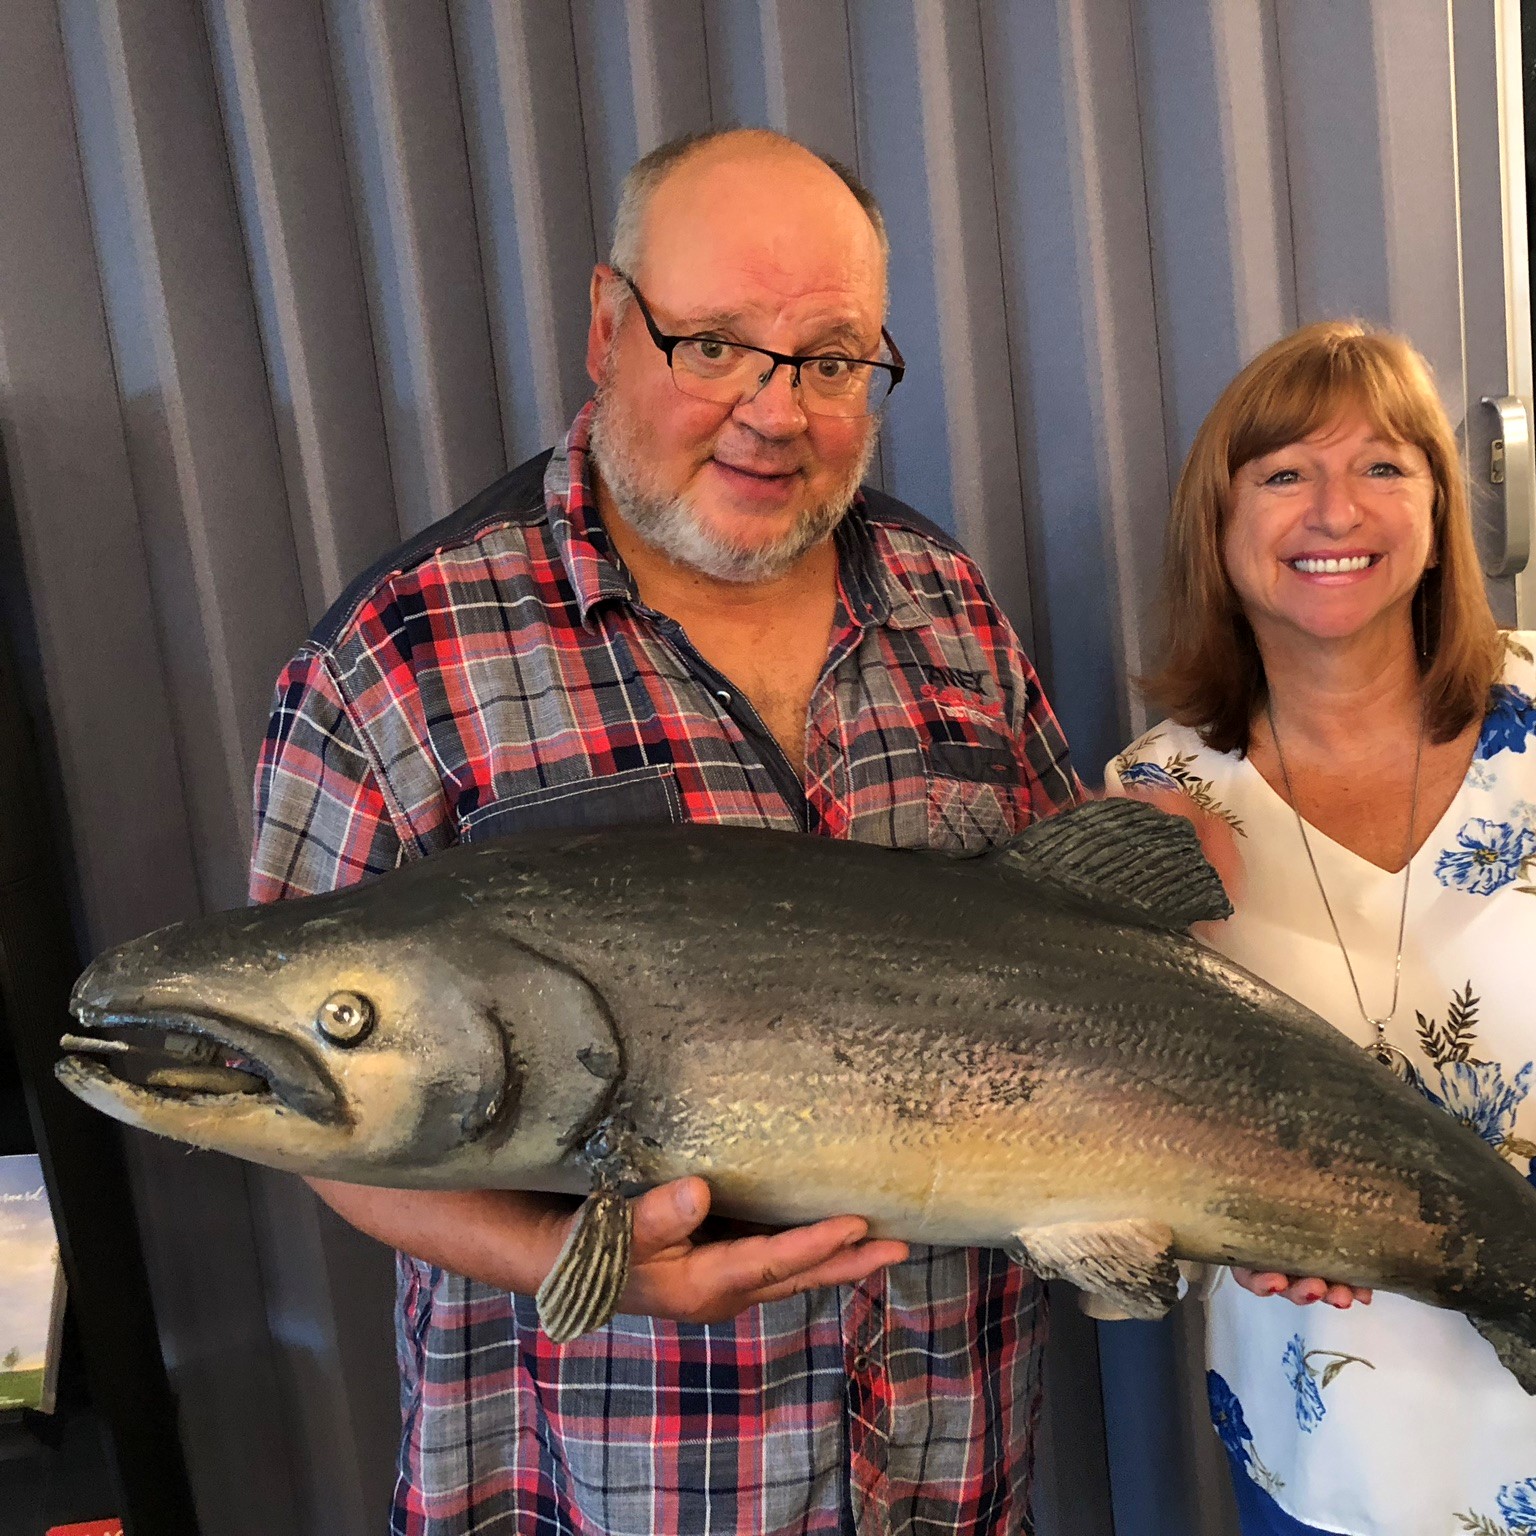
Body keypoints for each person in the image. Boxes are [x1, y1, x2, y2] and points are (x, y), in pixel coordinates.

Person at [249, 127, 1076, 1535]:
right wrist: (580, 1260)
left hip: (947, 1459)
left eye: (827, 359)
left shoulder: (948, 609)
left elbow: (1073, 962)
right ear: (607, 327)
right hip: (613, 1487)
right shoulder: (397, 658)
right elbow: (305, 1109)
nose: (772, 411)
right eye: (711, 347)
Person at [1107, 321, 1536, 1536]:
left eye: (1382, 467)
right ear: (1216, 531)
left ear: (1438, 509)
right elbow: (1134, 1118)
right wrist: (1214, 1222)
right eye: (1283, 475)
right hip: (1328, 1449)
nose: (1335, 510)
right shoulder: (1161, 792)